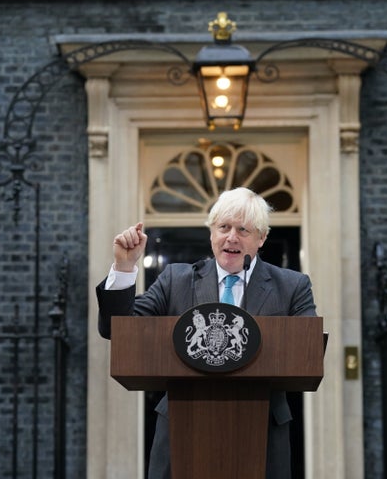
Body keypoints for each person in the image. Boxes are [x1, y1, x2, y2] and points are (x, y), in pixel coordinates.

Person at [96, 187, 317, 479]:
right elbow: (118, 328)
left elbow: (307, 351)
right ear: (212, 233)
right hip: (182, 427)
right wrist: (124, 267)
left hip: (261, 431)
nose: (232, 237)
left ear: (262, 238)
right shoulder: (176, 280)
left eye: (243, 229)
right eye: (223, 227)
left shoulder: (292, 285)